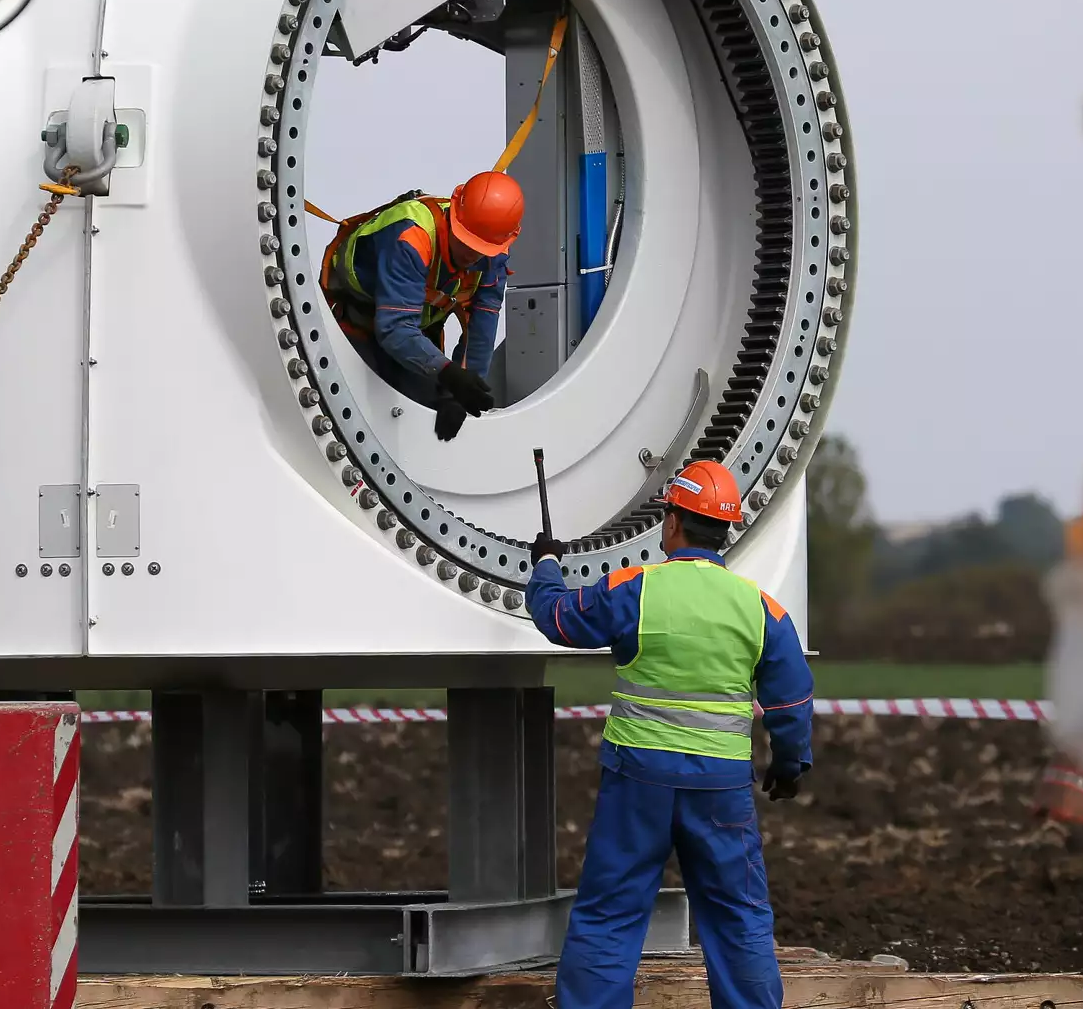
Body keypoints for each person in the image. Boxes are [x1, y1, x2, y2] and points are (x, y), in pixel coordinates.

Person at [525, 459, 815, 1009]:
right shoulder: (759, 609)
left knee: (610, 915)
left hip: (638, 782)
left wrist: (545, 565)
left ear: (673, 523)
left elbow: (559, 618)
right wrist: (789, 765)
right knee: (738, 918)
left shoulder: (635, 589)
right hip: (721, 791)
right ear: (723, 530)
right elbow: (793, 698)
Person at [319, 171, 523, 441]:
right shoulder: (411, 236)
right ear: (454, 215)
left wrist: (460, 393)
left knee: (428, 414)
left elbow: (481, 328)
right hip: (359, 322)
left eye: (481, 249)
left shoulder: (493, 251)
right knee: (358, 419)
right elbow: (395, 328)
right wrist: (448, 373)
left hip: (418, 328)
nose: (471, 254)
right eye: (465, 241)